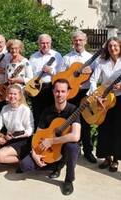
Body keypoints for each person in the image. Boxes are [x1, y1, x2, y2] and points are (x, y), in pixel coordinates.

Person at [19, 79, 81, 196]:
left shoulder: (73, 111)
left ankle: (68, 180)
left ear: (68, 93)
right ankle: (55, 165)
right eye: (57, 91)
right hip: (50, 150)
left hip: (63, 148)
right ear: (53, 92)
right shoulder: (47, 111)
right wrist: (34, 154)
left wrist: (52, 141)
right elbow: (37, 135)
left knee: (72, 146)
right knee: (25, 165)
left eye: (63, 91)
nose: (60, 94)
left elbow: (75, 136)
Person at [60, 30, 97, 163]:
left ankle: (88, 151)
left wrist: (91, 71)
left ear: (85, 41)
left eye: (80, 40)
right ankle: (67, 151)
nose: (78, 42)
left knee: (86, 122)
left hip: (85, 93)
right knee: (69, 122)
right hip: (71, 94)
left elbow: (97, 76)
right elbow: (61, 76)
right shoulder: (67, 58)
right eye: (75, 40)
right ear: (72, 42)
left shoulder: (92, 58)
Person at [88, 37, 121, 172]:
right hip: (104, 99)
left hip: (120, 99)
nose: (112, 48)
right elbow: (93, 79)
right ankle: (106, 157)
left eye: (115, 45)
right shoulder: (101, 62)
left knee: (118, 130)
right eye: (110, 46)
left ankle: (115, 160)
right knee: (104, 129)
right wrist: (96, 96)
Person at [0, 84, 34, 165]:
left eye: (15, 94)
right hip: (8, 137)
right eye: (10, 94)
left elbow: (30, 130)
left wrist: (16, 135)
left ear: (20, 96)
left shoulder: (25, 110)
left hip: (22, 140)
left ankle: (22, 159)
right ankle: (7, 153)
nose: (12, 96)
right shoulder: (5, 108)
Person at [29, 34, 63, 130]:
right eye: (43, 43)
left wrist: (51, 71)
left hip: (50, 87)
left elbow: (61, 75)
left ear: (51, 43)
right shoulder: (33, 57)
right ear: (38, 44)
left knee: (51, 114)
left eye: (47, 43)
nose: (45, 45)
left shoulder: (57, 56)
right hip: (36, 88)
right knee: (37, 114)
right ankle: (37, 138)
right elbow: (30, 75)